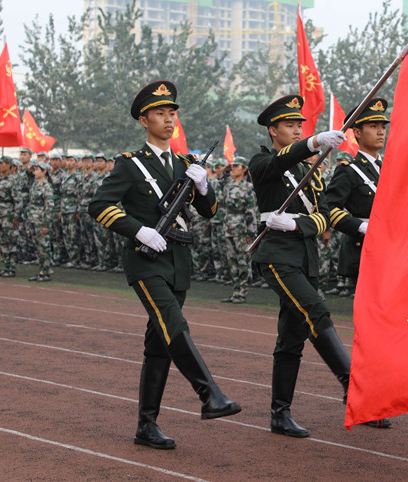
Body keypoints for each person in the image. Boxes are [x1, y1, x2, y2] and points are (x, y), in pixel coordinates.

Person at [88, 80, 241, 450]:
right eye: (160, 113)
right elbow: (99, 205)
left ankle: (146, 425)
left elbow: (210, 211)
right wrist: (138, 230)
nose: (169, 119)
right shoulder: (130, 165)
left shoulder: (186, 165)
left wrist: (204, 187)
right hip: (146, 262)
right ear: (144, 120)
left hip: (178, 262)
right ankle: (210, 394)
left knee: (159, 343)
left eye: (172, 113)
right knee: (173, 323)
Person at [248, 94, 389, 439]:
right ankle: (353, 386)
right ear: (273, 130)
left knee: (291, 339)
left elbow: (326, 214)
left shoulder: (309, 171)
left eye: (301, 125)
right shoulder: (262, 162)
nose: (297, 130)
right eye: (290, 125)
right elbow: (278, 162)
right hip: (277, 256)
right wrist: (312, 143)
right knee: (316, 311)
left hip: (305, 256)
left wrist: (299, 225)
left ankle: (280, 414)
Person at [326, 98, 389, 298]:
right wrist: (361, 227)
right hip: (364, 248)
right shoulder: (349, 170)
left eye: (382, 127)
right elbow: (329, 208)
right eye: (373, 126)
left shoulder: (390, 168)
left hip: (392, 247)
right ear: (358, 133)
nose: (381, 132)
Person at [220, 156, 257, 303]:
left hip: (242, 227)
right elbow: (220, 181)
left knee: (243, 261)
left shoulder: (248, 187)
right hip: (229, 226)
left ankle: (242, 291)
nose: (233, 168)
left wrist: (251, 232)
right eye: (232, 166)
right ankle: (235, 291)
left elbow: (251, 211)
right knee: (231, 260)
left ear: (244, 169)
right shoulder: (229, 184)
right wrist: (225, 170)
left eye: (237, 166)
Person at [28, 161, 55, 282]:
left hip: (41, 220)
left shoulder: (47, 187)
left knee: (44, 246)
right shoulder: (35, 184)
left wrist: (46, 224)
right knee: (37, 247)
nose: (35, 172)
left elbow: (49, 207)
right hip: (33, 218)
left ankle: (46, 271)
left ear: (45, 172)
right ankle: (41, 270)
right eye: (35, 170)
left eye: (38, 170)